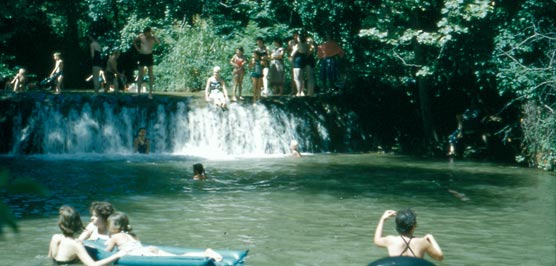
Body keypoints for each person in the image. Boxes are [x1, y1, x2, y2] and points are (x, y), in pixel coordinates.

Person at [105, 211, 223, 261]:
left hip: (142, 254)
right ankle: (205, 253)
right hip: (149, 249)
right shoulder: (131, 234)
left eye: (109, 224)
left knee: (177, 259)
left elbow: (106, 252)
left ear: (116, 226)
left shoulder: (115, 237)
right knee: (178, 256)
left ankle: (205, 254)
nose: (107, 227)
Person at [48, 205, 125, 266]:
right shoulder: (76, 245)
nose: (91, 218)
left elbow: (50, 257)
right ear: (78, 224)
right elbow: (93, 265)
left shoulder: (55, 237)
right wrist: (117, 255)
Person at [373, 209, 443, 261]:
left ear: (397, 226)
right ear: (414, 225)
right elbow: (440, 257)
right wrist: (430, 237)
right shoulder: (423, 242)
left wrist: (382, 219)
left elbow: (377, 240)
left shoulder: (391, 240)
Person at [133, 27, 160, 99]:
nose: (145, 34)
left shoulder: (153, 37)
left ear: (149, 32)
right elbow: (134, 41)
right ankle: (138, 92)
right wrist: (138, 49)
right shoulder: (141, 36)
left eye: (147, 33)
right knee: (140, 74)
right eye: (144, 33)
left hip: (149, 56)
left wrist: (154, 34)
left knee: (150, 73)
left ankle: (150, 93)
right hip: (142, 55)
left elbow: (158, 43)